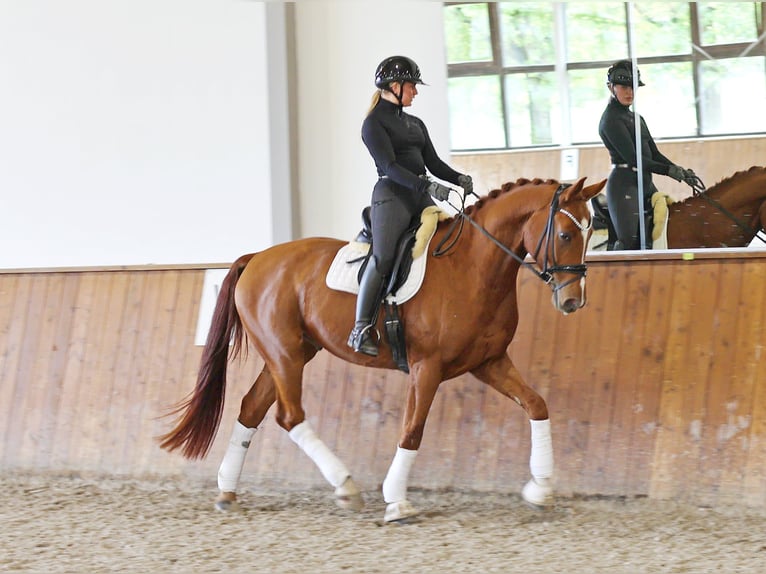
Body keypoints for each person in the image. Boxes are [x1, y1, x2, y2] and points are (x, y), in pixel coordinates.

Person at [347, 55, 473, 356]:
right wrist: (426, 185)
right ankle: (361, 326)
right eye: (412, 86)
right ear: (394, 86)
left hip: (419, 193)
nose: (415, 92)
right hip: (393, 195)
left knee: (451, 240)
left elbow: (433, 162)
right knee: (384, 256)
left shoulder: (415, 124)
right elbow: (389, 166)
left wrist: (458, 178)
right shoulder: (374, 123)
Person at [598, 59, 696, 250]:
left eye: (633, 88)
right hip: (624, 185)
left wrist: (680, 171)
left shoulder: (637, 119)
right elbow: (634, 159)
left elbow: (654, 154)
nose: (630, 92)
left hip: (645, 182)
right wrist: (668, 171)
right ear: (611, 88)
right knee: (628, 242)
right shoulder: (610, 120)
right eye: (624, 87)